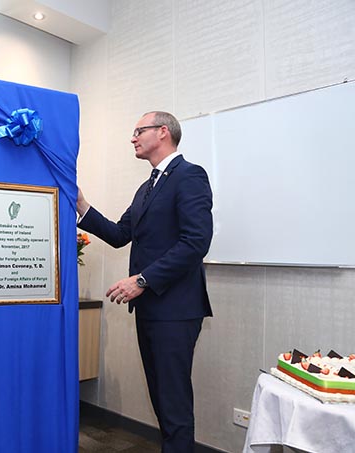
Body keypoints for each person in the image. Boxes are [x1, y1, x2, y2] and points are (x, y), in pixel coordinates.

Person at [76, 111, 213, 453]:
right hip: (151, 306)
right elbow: (121, 234)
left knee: (173, 398)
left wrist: (142, 279)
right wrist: (81, 204)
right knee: (161, 395)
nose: (133, 138)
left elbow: (195, 243)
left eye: (139, 131)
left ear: (163, 132)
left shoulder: (189, 176)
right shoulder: (146, 187)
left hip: (177, 308)